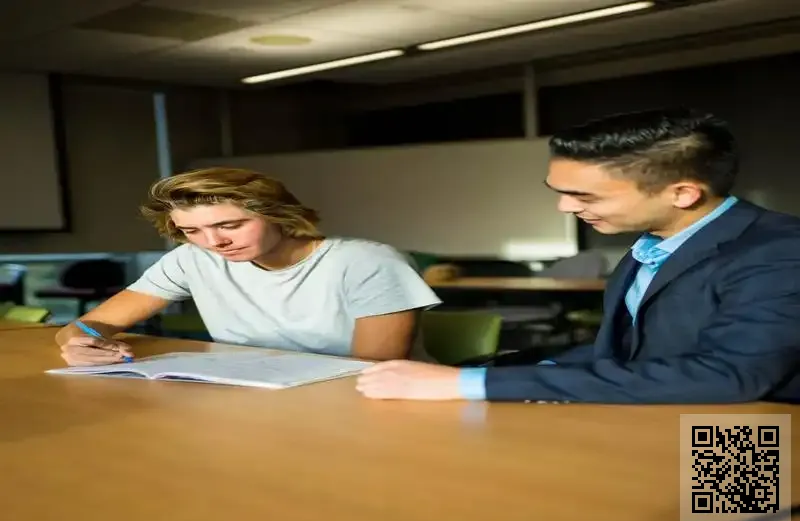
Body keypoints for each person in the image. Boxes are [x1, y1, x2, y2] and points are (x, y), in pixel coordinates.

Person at [356, 107, 800, 404]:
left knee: (722, 513)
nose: (565, 207)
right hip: (660, 420)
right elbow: (629, 355)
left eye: (584, 195)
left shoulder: (780, 251)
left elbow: (727, 377)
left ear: (682, 193)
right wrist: (482, 372)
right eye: (561, 191)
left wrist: (472, 384)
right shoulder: (651, 245)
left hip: (748, 431)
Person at [56, 167, 441, 366]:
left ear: (278, 215)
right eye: (191, 230)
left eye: (231, 225)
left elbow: (370, 370)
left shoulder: (367, 262)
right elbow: (89, 325)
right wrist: (80, 343)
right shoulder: (192, 258)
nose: (214, 243)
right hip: (257, 398)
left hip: (364, 403)